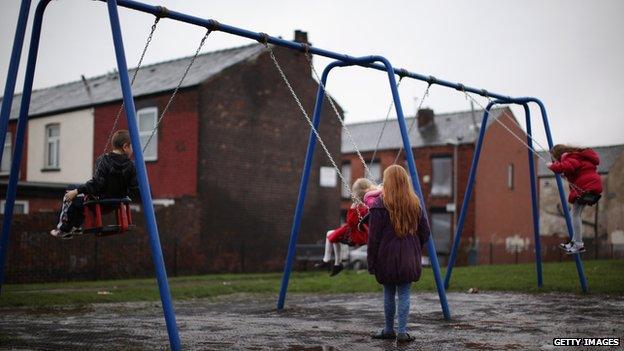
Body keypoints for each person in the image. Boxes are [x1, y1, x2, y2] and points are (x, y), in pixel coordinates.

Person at [367, 165, 430, 343]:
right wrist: (415, 247)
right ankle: (402, 332)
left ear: (387, 182)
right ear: (405, 182)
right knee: (404, 293)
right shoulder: (414, 204)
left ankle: (388, 329)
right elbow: (425, 232)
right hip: (408, 257)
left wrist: (371, 262)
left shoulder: (379, 206)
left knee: (388, 292)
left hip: (385, 257)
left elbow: (374, 238)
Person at [50, 130, 139, 239]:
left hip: (99, 203)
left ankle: (63, 229)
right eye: (132, 147)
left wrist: (76, 191)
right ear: (125, 147)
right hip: (115, 204)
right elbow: (134, 189)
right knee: (77, 194)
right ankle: (76, 227)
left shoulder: (103, 160)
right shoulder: (132, 166)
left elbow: (97, 184)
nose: (133, 151)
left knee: (70, 193)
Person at [547, 144, 602, 254]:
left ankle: (578, 244)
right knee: (575, 213)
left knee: (575, 215)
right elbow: (574, 170)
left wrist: (551, 166)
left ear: (558, 155)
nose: (553, 160)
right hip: (592, 185)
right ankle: (574, 242)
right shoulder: (577, 156)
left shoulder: (570, 157)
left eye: (553, 158)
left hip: (587, 186)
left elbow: (566, 167)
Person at [315, 178, 376, 276]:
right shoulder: (367, 206)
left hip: (355, 235)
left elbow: (351, 222)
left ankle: (332, 262)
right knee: (332, 235)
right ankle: (335, 263)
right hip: (356, 232)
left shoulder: (360, 207)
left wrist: (353, 208)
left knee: (331, 235)